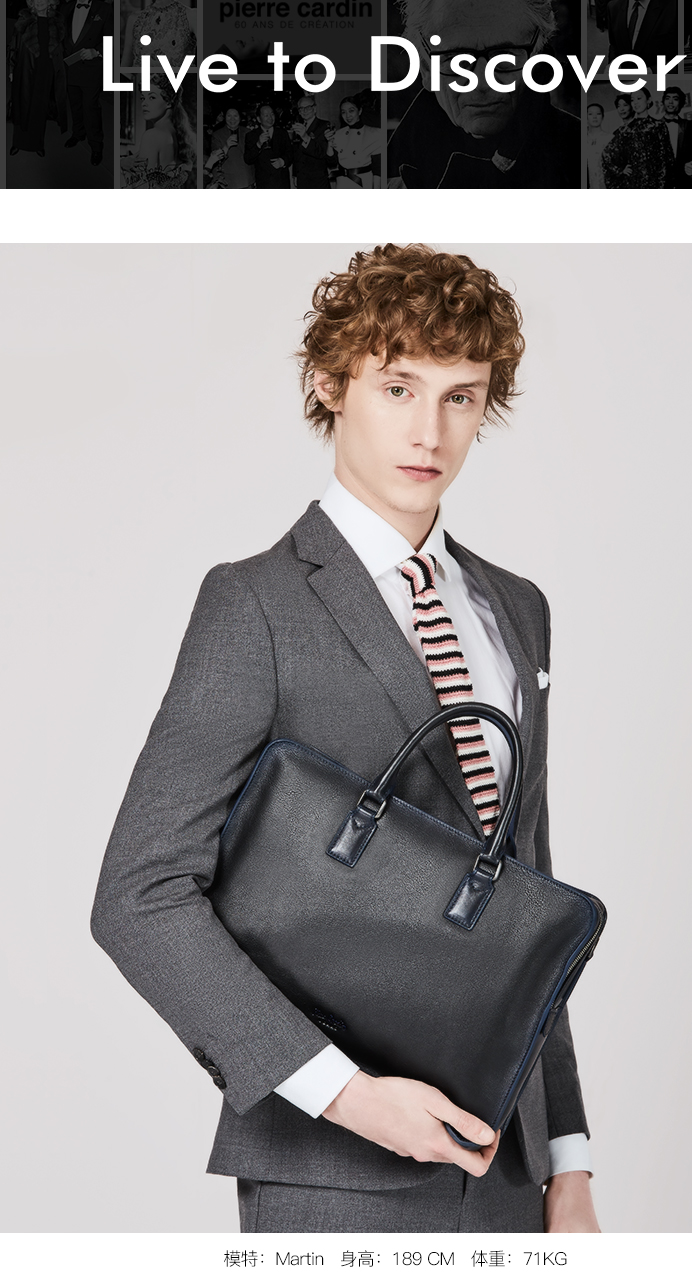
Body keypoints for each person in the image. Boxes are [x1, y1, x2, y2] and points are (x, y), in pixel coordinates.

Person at [91, 245, 599, 1235]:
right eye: (398, 387)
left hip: (507, 1166)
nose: (429, 430)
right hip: (336, 1170)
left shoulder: (517, 608)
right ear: (331, 385)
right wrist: (347, 1094)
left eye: (460, 397)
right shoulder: (255, 604)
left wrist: (567, 1160)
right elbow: (139, 893)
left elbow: (525, 900)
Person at [388, 0, 579, 188]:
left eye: (504, 58)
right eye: (458, 61)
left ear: (538, 59)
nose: (481, 82)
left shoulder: (577, 159)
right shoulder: (384, 180)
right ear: (426, 69)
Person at [60, 0, 113, 167]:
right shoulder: (65, 9)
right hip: (70, 67)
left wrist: (96, 51)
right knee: (74, 105)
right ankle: (78, 133)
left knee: (91, 108)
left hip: (91, 68)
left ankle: (96, 146)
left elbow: (112, 39)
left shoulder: (105, 9)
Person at [8, 0, 67, 158]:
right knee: (22, 105)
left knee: (40, 108)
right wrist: (11, 69)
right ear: (31, 2)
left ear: (49, 0)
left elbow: (63, 49)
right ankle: (18, 142)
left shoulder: (57, 23)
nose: (39, 1)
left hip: (46, 71)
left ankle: (37, 144)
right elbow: (13, 46)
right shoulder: (24, 21)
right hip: (24, 68)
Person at [121, 74, 196, 187]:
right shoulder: (178, 134)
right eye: (142, 98)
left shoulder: (152, 136)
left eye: (152, 97)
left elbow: (142, 188)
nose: (144, 103)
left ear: (169, 102)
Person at [600, 85, 674, 188]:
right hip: (633, 183)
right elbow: (606, 154)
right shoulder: (625, 130)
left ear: (648, 100)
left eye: (639, 98)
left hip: (656, 183)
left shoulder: (658, 126)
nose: (635, 102)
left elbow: (667, 158)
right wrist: (620, 170)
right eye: (632, 100)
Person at [326, 96, 383, 188]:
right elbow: (331, 163)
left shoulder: (374, 133)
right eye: (343, 112)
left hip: (362, 183)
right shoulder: (338, 134)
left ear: (359, 111)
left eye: (351, 111)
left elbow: (378, 168)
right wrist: (329, 143)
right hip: (342, 183)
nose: (347, 116)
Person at [243, 104, 293, 188]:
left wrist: (282, 161)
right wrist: (258, 144)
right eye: (266, 115)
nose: (270, 118)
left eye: (272, 114)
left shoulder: (282, 133)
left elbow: (290, 153)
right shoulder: (251, 135)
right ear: (259, 119)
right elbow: (248, 159)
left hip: (281, 181)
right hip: (264, 182)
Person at [204, 106, 253, 189]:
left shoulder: (248, 132)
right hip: (229, 181)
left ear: (240, 117)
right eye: (229, 116)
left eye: (235, 116)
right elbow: (215, 160)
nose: (232, 119)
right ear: (224, 117)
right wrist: (226, 146)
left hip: (248, 179)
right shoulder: (217, 135)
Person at [290, 96, 333, 189]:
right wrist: (295, 174)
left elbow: (322, 153)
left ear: (314, 109)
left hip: (318, 179)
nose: (304, 111)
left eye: (308, 107)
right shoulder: (298, 127)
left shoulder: (324, 126)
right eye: (301, 108)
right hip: (302, 178)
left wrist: (305, 137)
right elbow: (296, 154)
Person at [586, 102, 607, 187]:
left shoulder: (610, 138)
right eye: (590, 114)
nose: (594, 117)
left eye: (598, 114)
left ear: (603, 116)